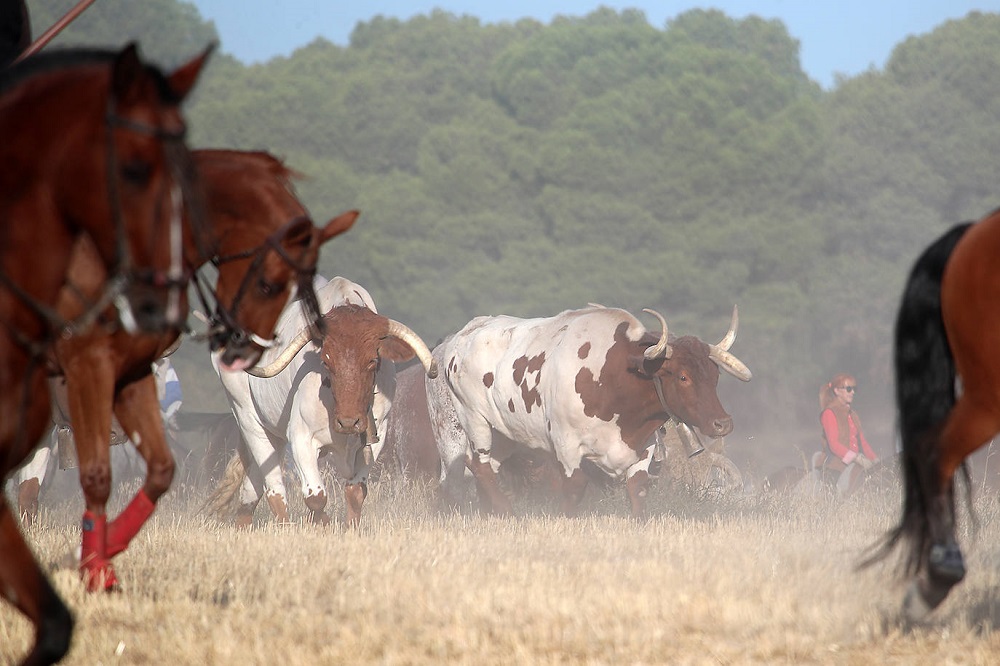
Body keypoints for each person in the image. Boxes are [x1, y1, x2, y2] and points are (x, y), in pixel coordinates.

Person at [815, 373, 878, 494]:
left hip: (856, 462)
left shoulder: (853, 414)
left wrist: (875, 460)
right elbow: (833, 444)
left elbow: (863, 442)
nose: (852, 392)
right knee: (833, 496)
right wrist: (855, 457)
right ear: (837, 391)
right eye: (849, 389)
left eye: (854, 389)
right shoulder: (829, 413)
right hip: (835, 464)